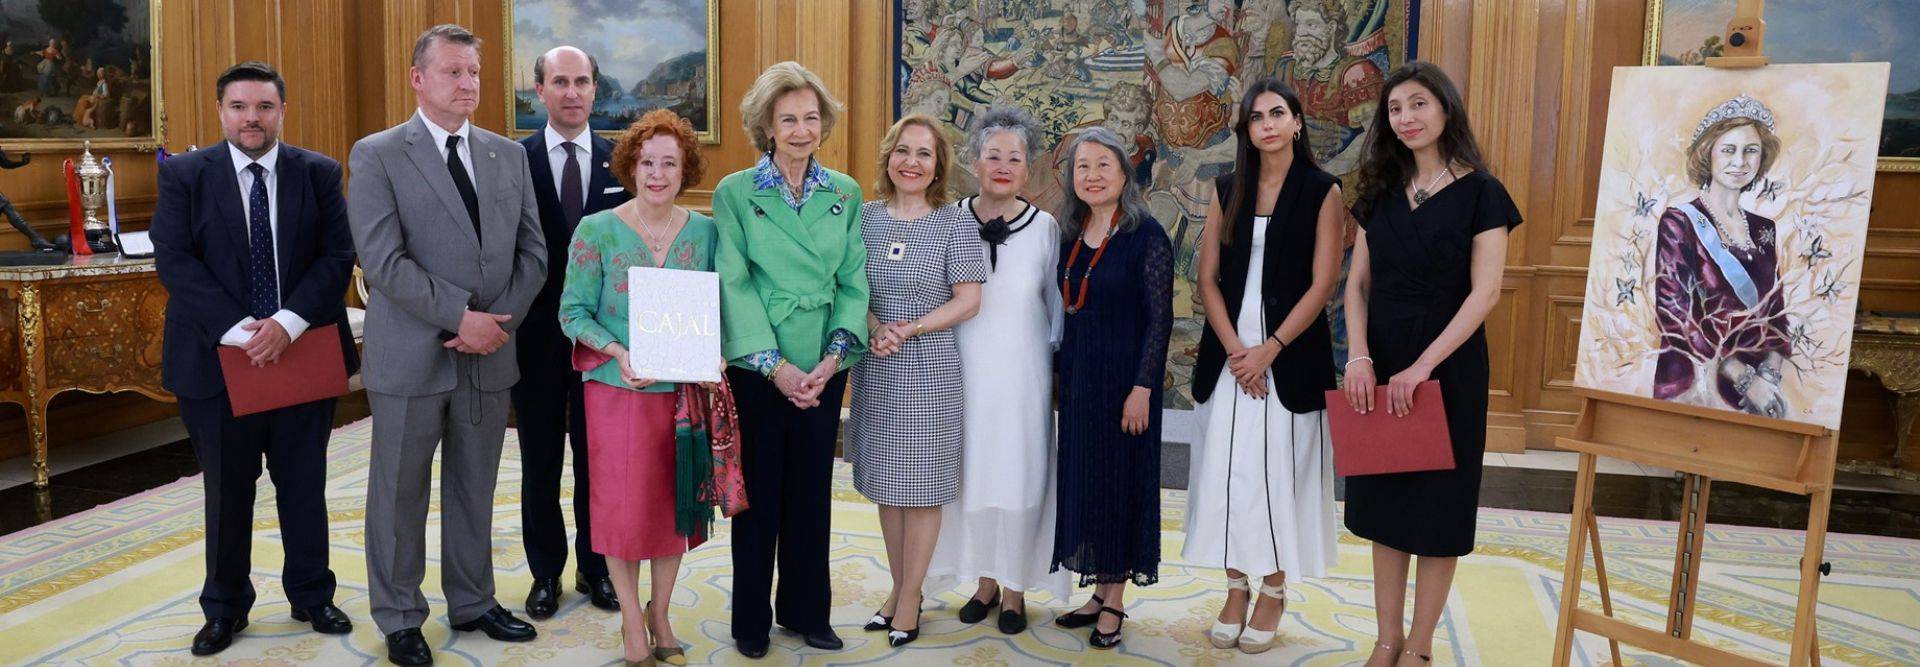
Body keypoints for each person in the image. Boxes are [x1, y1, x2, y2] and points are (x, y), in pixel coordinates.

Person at [347, 24, 547, 666]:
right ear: (418, 79)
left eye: (474, 73)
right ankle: (401, 616)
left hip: (492, 350)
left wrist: (498, 322)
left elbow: (533, 252)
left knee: (474, 485)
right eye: (453, 72)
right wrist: (461, 316)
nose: (468, 84)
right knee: (400, 491)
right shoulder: (377, 154)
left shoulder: (506, 154)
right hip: (411, 354)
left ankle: (474, 599)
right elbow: (382, 260)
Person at [150, 60, 358, 657]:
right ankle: (225, 608)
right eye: (239, 107)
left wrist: (286, 324)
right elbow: (175, 260)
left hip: (302, 353)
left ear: (282, 111)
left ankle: (312, 595)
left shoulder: (318, 172)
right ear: (221, 112)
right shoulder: (186, 175)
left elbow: (335, 256)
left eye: (264, 107)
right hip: (216, 363)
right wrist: (243, 331)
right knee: (227, 490)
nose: (252, 118)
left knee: (303, 485)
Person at [1339, 61, 1520, 667]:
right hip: (1380, 365)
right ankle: (1385, 638)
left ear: (1445, 110)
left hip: (1448, 370)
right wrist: (1360, 357)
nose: (1406, 118)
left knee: (1438, 511)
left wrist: (1422, 368)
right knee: (1385, 510)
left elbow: (1485, 293)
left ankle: (1418, 647)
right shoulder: (1380, 193)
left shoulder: (1483, 192)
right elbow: (1356, 287)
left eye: (1418, 104)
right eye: (1395, 109)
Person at [712, 61, 868, 659]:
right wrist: (776, 366)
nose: (801, 130)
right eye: (788, 120)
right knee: (759, 498)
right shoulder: (734, 193)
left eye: (810, 118)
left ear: (822, 123)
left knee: (811, 495)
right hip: (758, 369)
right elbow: (734, 282)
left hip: (824, 369)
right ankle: (750, 620)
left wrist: (829, 363)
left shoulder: (846, 192)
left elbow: (855, 283)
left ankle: (808, 612)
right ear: (766, 126)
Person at [1184, 78, 1344, 654]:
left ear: (1297, 122)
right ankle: (1234, 587)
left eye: (1278, 113)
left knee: (1278, 470)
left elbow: (1324, 282)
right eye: (1257, 117)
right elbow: (1207, 279)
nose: (1268, 124)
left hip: (1289, 354)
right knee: (1228, 468)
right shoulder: (1227, 188)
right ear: (1246, 131)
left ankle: (1273, 588)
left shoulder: (1323, 190)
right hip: (1229, 352)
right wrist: (1237, 353)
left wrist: (1269, 350)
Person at [559, 108, 715, 667]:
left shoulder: (706, 231)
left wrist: (713, 352)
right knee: (621, 512)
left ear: (684, 170)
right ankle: (630, 619)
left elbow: (717, 310)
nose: (657, 173)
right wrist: (620, 353)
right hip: (615, 393)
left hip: (679, 395)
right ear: (630, 166)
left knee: (675, 509)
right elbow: (571, 312)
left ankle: (662, 612)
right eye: (647, 162)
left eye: (669, 163)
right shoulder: (596, 229)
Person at [924, 106, 1072, 635]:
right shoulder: (948, 219)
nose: (1004, 166)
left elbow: (1056, 306)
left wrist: (1056, 375)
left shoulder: (1046, 228)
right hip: (960, 372)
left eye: (1015, 157)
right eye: (993, 156)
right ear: (974, 163)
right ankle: (982, 581)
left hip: (1023, 376)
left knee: (1019, 475)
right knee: (971, 477)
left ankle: (1014, 588)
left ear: (1027, 169)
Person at [845, 113, 987, 648]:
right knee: (887, 484)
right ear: (889, 157)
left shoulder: (954, 223)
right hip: (876, 364)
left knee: (922, 488)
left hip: (928, 367)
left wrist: (910, 328)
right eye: (903, 151)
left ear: (938, 166)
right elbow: (849, 287)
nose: (911, 162)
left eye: (924, 154)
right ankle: (901, 588)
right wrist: (877, 326)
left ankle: (909, 598)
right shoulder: (864, 218)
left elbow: (969, 300)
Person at [515, 44, 629, 619]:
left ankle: (597, 568)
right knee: (539, 462)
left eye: (582, 81)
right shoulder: (512, 160)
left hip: (602, 344)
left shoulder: (623, 161)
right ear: (540, 90)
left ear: (595, 88)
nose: (572, 92)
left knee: (598, 461)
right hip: (533, 341)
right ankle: (544, 574)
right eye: (559, 82)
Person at [1049, 126, 1173, 650]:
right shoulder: (1069, 233)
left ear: (1125, 173)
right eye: (1083, 167)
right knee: (1088, 481)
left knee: (1120, 483)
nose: (1092, 175)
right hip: (1080, 381)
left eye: (1103, 165)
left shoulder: (1147, 236)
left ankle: (1116, 599)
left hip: (1126, 383)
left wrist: (1143, 386)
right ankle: (1098, 592)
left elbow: (1160, 320)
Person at [1653, 94, 1792, 417]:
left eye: (1751, 151)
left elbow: (1776, 311)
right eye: (1728, 150)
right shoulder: (1680, 221)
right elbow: (1673, 312)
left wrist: (1769, 375)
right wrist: (1745, 380)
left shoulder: (1763, 228)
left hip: (1760, 384)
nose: (1739, 162)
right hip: (1697, 376)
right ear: (1708, 153)